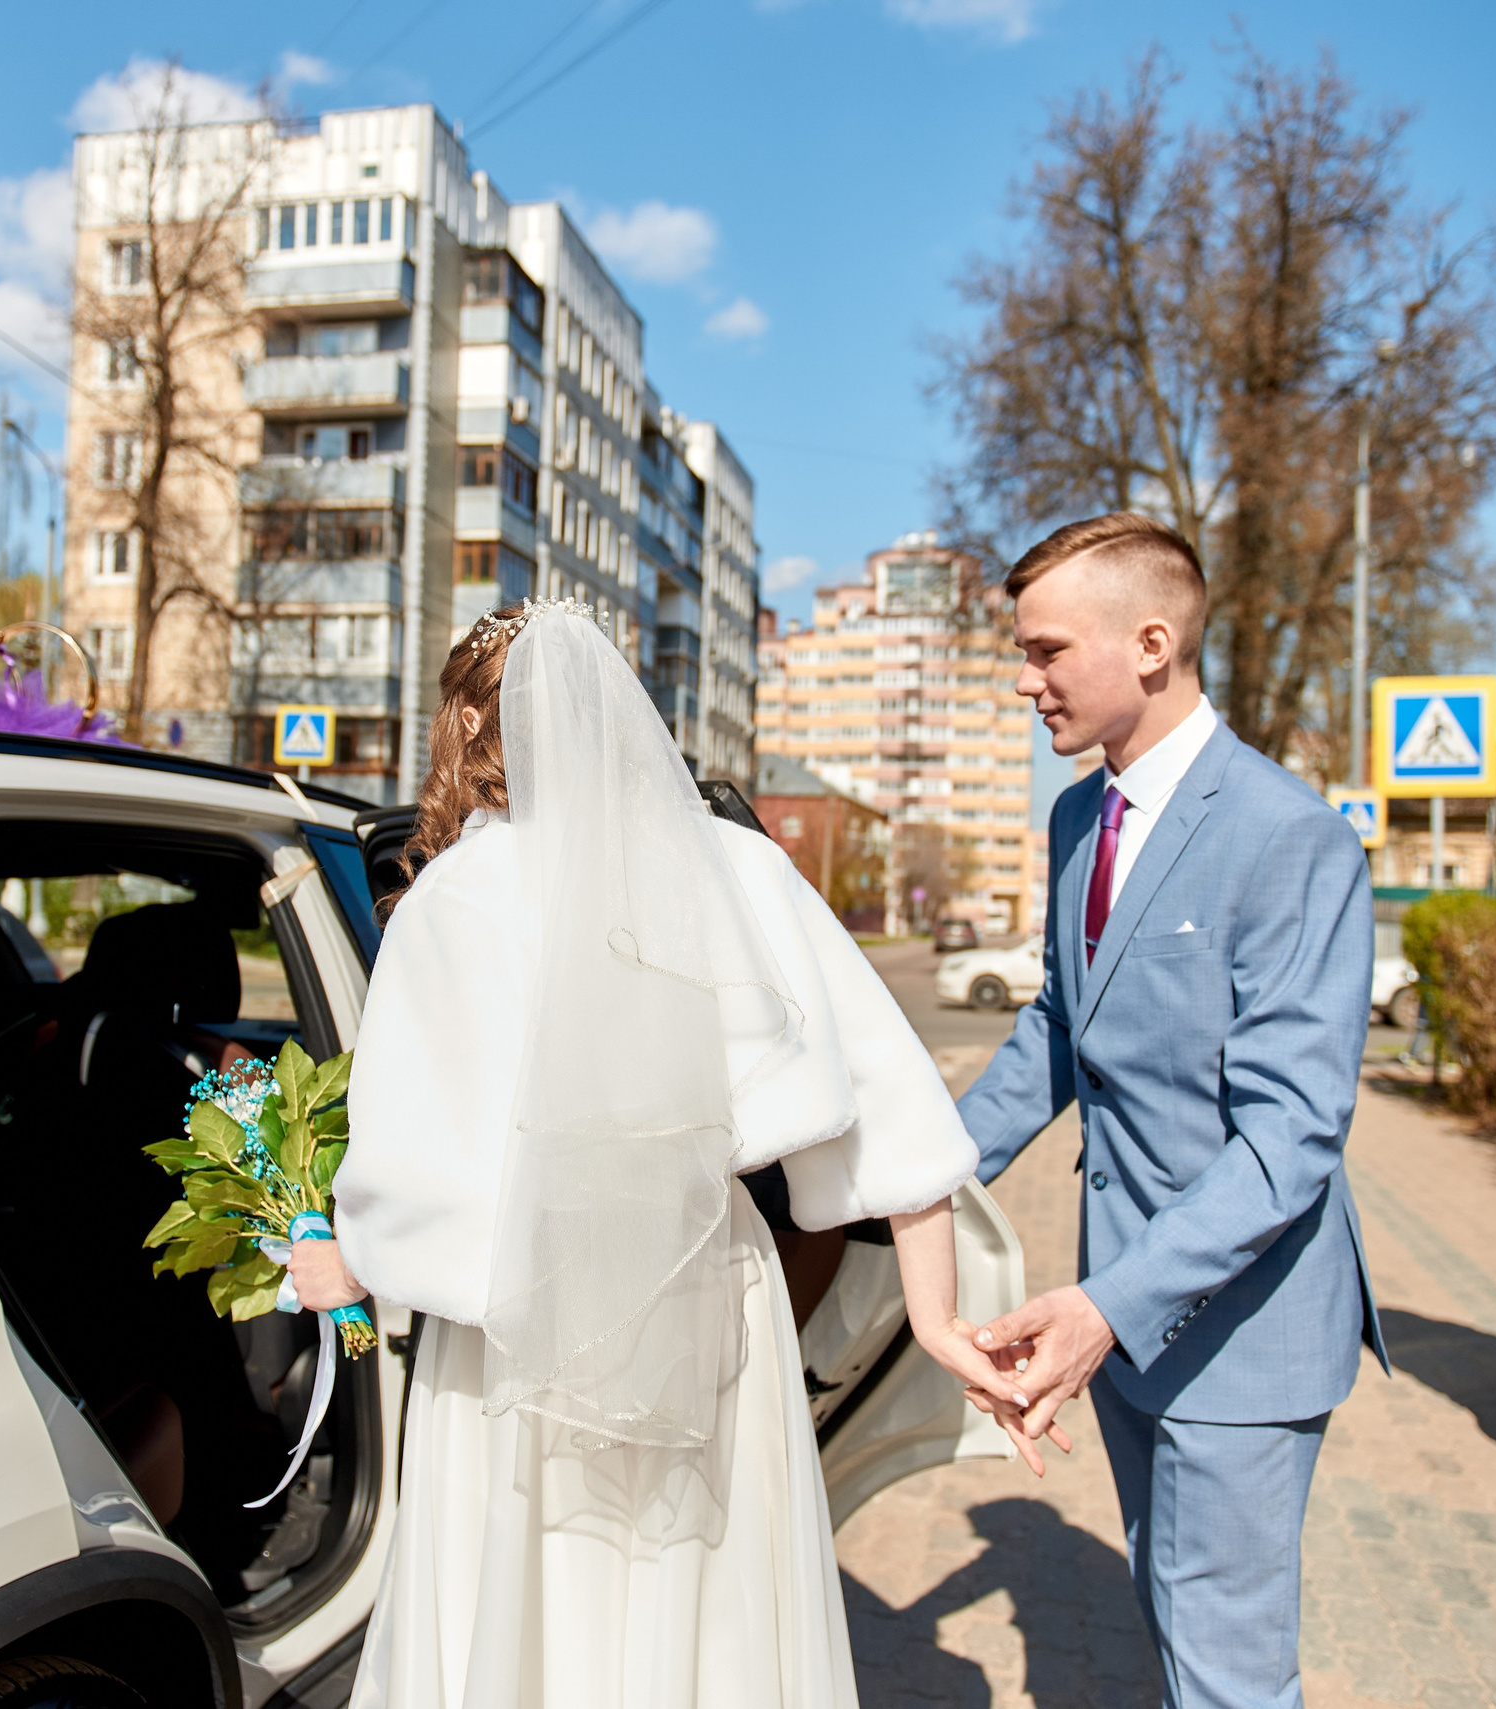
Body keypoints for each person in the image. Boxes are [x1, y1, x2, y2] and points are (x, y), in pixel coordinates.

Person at [284, 599, 1027, 1709]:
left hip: (517, 1331)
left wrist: (340, 1257)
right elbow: (895, 1115)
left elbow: (418, 1181)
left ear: (466, 732)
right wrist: (936, 1320)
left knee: (532, 1604)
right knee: (706, 1602)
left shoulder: (454, 899)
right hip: (708, 1298)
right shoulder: (738, 869)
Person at [956, 511, 1385, 1709]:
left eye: (1045, 651)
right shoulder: (1077, 816)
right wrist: (921, 1169)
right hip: (1128, 1317)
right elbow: (1060, 1027)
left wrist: (1107, 1305)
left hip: (1239, 1332)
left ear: (1150, 642)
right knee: (1175, 1625)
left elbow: (1290, 1139)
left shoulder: (1288, 836)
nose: (1025, 678)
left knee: (1231, 1676)